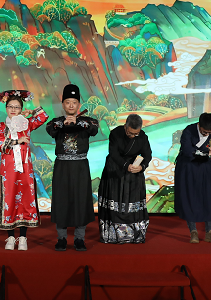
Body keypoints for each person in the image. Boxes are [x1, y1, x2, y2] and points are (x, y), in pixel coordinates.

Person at [46, 84, 99, 251]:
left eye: (74, 102)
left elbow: (94, 129)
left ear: (79, 105)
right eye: (67, 102)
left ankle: (79, 239)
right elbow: (50, 129)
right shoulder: (56, 122)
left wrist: (78, 121)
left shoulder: (87, 121)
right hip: (62, 167)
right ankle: (61, 238)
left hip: (80, 166)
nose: (70, 105)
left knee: (81, 200)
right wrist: (64, 123)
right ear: (63, 104)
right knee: (61, 200)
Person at [0, 89, 48, 251]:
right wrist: (17, 141)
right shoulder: (1, 126)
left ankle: (23, 237)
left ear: (21, 109)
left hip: (25, 169)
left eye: (17, 107)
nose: (13, 110)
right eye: (10, 106)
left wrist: (31, 112)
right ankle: (10, 237)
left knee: (25, 199)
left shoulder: (27, 124)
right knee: (10, 199)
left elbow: (43, 117)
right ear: (6, 108)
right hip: (8, 170)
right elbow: (0, 144)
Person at [175, 112, 211, 244]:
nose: (207, 134)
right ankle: (193, 231)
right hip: (188, 166)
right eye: (204, 132)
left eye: (209, 132)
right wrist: (207, 151)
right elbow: (187, 149)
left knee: (208, 197)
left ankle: (210, 231)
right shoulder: (189, 130)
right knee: (190, 197)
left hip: (204, 167)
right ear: (199, 125)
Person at [98, 114, 152, 244]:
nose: (133, 136)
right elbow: (113, 153)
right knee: (115, 200)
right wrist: (126, 165)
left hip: (134, 173)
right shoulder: (115, 133)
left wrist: (142, 167)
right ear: (125, 126)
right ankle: (112, 235)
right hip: (115, 171)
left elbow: (147, 155)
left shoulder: (143, 137)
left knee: (132, 202)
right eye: (130, 133)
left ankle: (134, 235)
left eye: (136, 134)